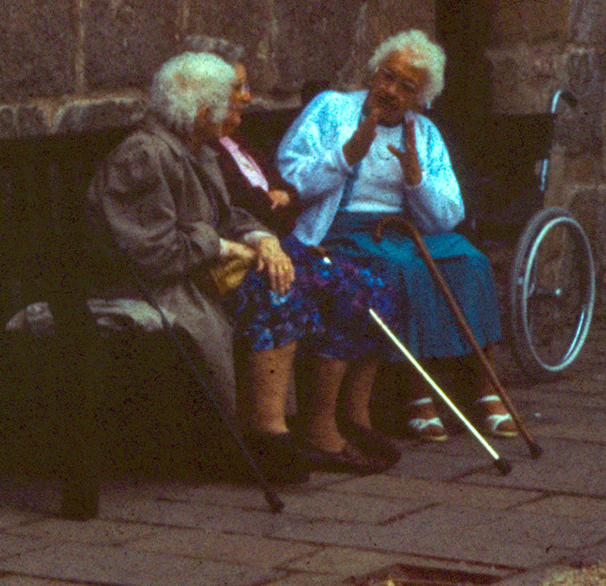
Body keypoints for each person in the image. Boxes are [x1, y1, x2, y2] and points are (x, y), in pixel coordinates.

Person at [86, 52, 395, 484]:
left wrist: (262, 240)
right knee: (276, 289)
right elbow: (152, 252)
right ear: (198, 107)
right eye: (226, 99)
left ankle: (288, 429)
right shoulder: (145, 155)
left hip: (196, 272)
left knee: (319, 279)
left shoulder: (195, 148)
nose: (237, 107)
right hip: (160, 284)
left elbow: (227, 215)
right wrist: (224, 247)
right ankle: (265, 432)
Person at [276, 30, 514, 442]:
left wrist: (416, 178)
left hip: (401, 230)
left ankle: (486, 386)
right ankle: (416, 393)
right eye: (387, 76)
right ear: (374, 72)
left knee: (470, 260)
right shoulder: (331, 109)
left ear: (421, 98)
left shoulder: (423, 133)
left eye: (406, 87)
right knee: (401, 268)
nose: (390, 90)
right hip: (338, 233)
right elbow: (289, 174)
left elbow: (448, 216)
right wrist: (348, 153)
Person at [182, 36, 402, 467]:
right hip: (248, 254)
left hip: (277, 242)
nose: (247, 97)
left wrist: (280, 205)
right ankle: (295, 429)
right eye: (237, 88)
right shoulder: (204, 148)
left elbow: (282, 195)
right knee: (319, 287)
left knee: (372, 284)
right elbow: (245, 207)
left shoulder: (236, 143)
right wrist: (275, 210)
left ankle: (348, 418)